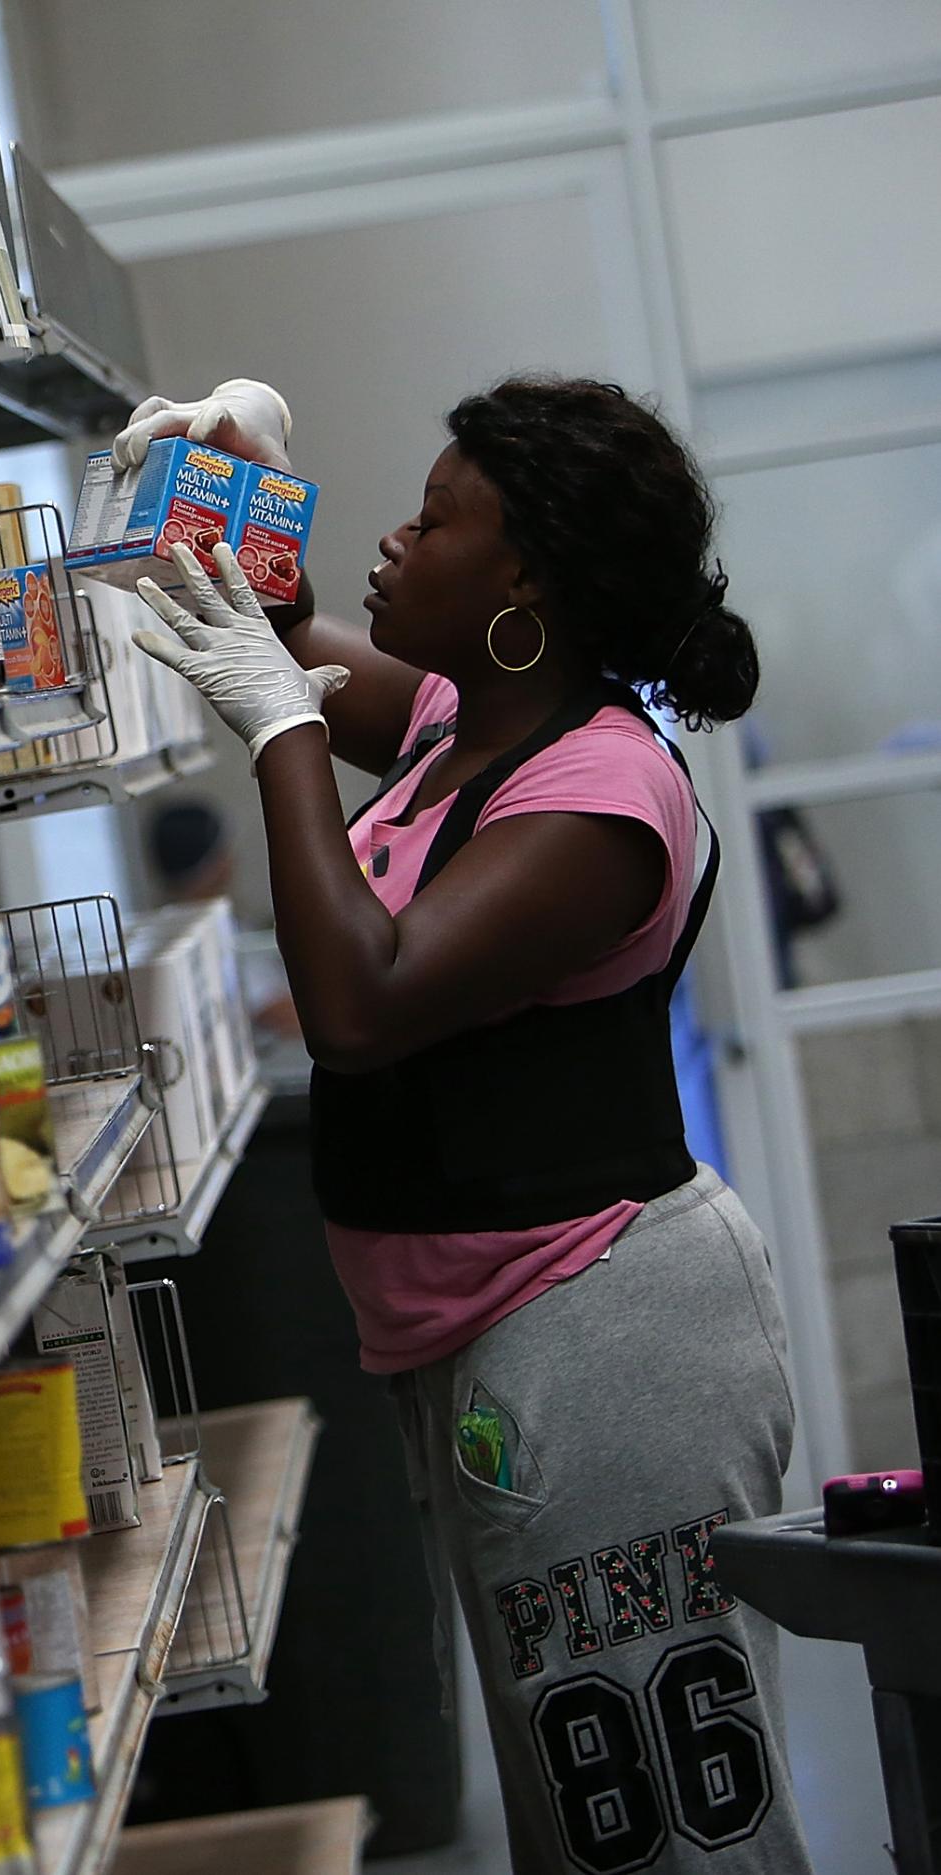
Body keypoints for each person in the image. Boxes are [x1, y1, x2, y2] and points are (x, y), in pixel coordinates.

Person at [121, 376, 812, 1875]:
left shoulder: (604, 794)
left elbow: (363, 1004)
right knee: (578, 1807)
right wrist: (235, 471)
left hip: (610, 1348)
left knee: (654, 1828)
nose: (393, 539)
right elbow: (274, 628)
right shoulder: (455, 727)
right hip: (489, 1344)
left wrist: (281, 735)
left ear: (522, 582)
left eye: (434, 521)